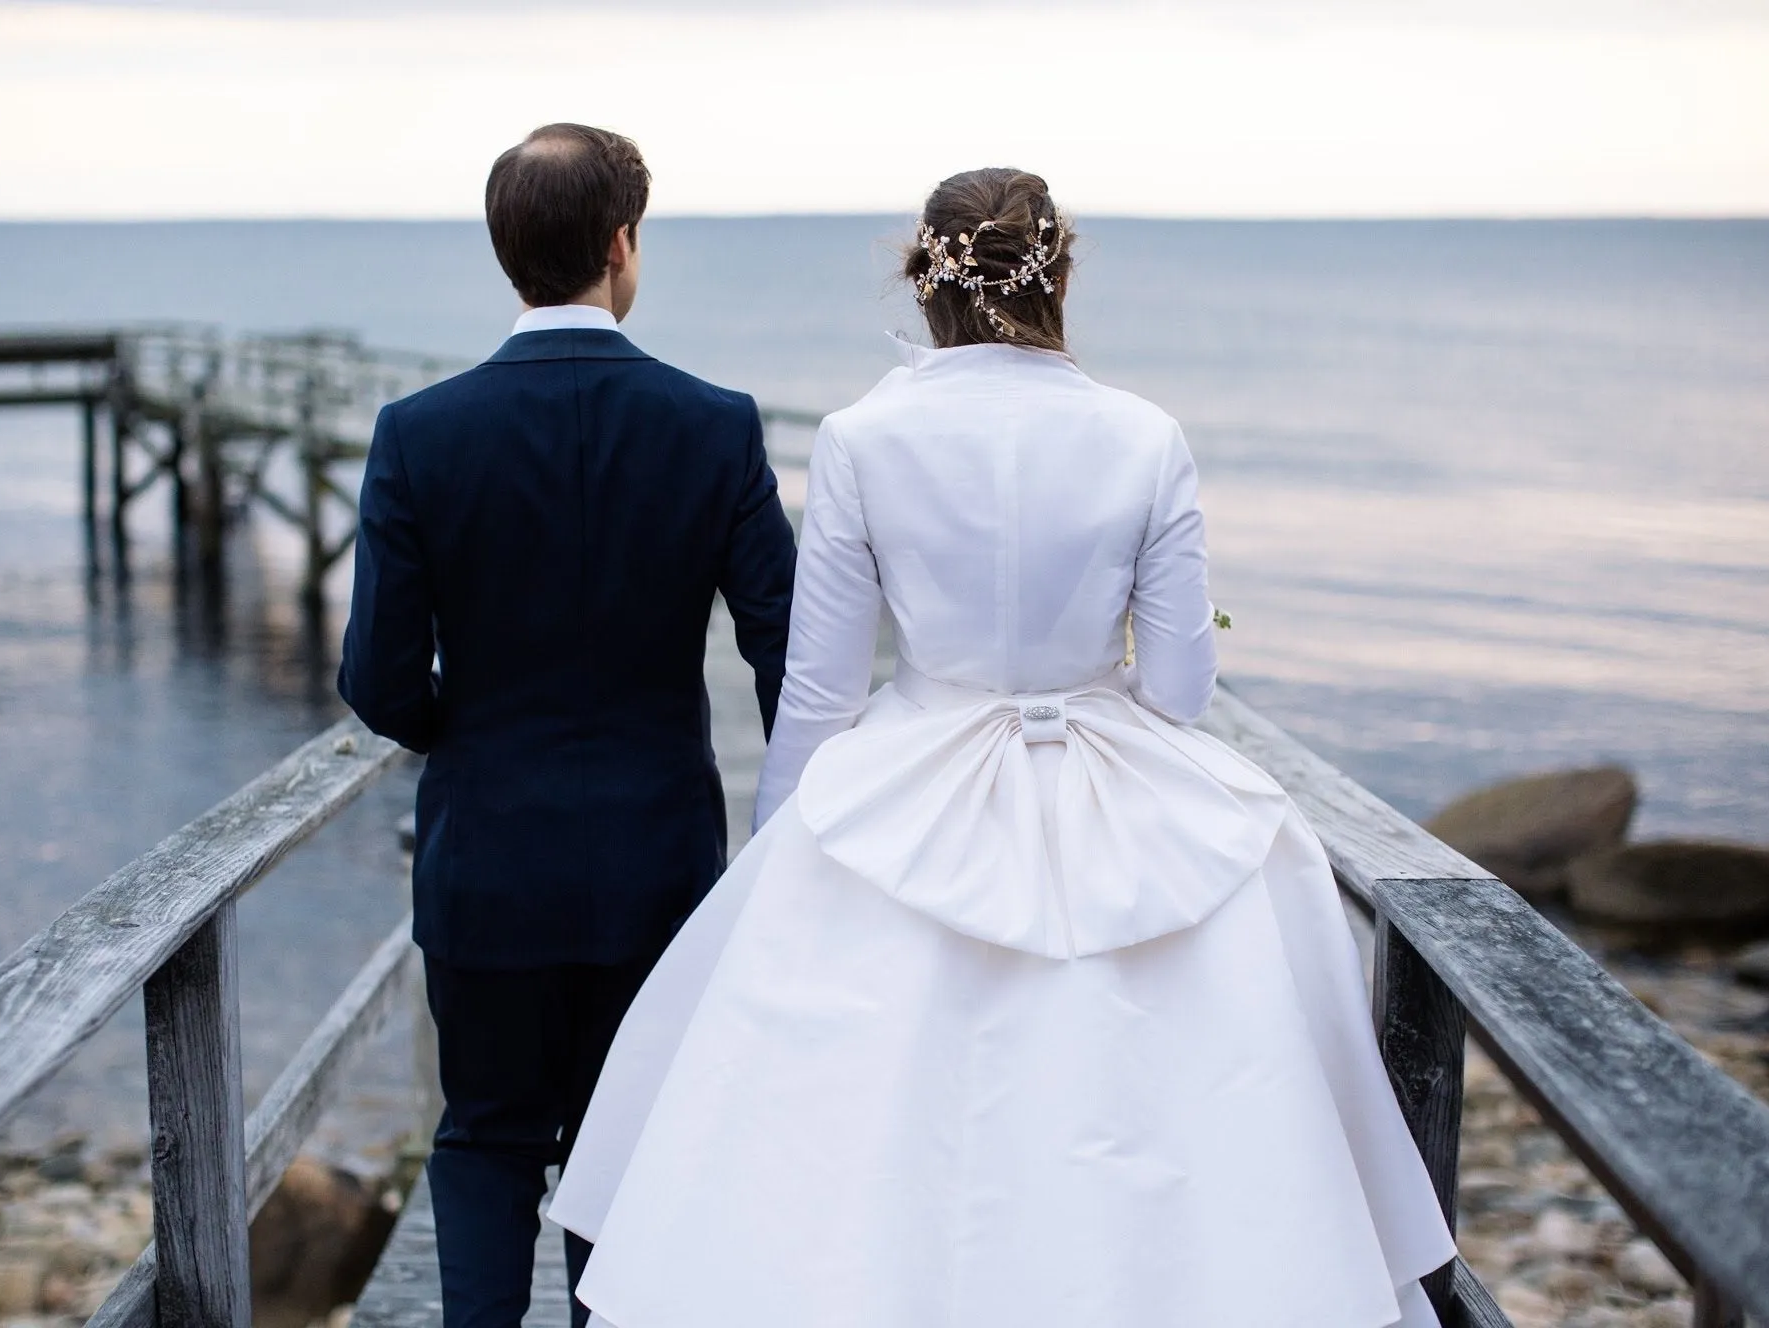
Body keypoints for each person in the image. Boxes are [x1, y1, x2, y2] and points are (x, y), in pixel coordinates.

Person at [549, 168, 1458, 1327]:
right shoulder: (1145, 435)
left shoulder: (863, 436)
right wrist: (1094, 672)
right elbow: (1180, 688)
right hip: (1108, 767)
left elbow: (821, 693)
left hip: (911, 773)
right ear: (1059, 271)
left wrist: (785, 865)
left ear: (925, 280)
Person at [337, 123, 797, 1328]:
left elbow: (379, 681)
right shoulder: (716, 424)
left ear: (507, 254)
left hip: (486, 855)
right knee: (631, 1139)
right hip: (659, 862)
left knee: (486, 1135)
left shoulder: (419, 434)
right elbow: (790, 660)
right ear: (620, 245)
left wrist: (468, 730)